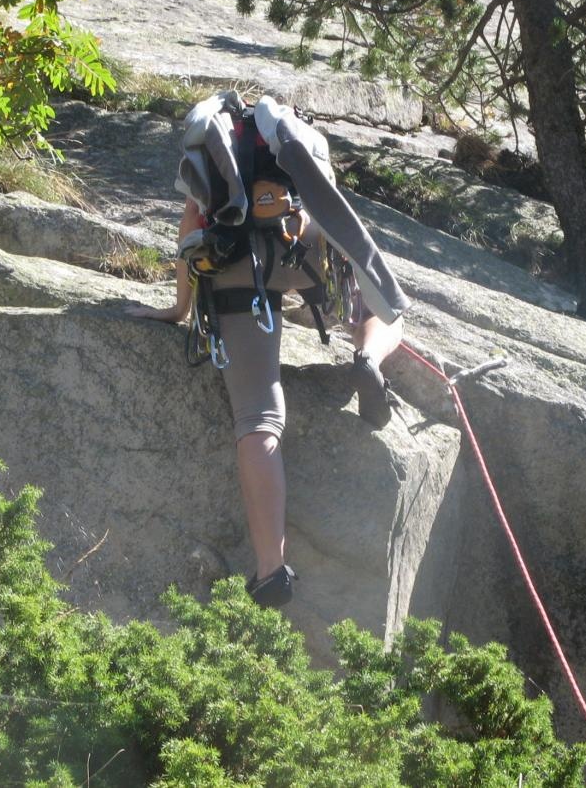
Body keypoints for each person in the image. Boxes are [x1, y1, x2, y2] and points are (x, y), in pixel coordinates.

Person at [131, 96, 409, 607]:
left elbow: (192, 227)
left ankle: (271, 569)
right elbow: (334, 216)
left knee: (258, 415)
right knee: (376, 306)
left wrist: (180, 309)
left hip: (237, 262)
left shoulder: (218, 146)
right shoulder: (293, 141)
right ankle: (368, 355)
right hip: (298, 247)